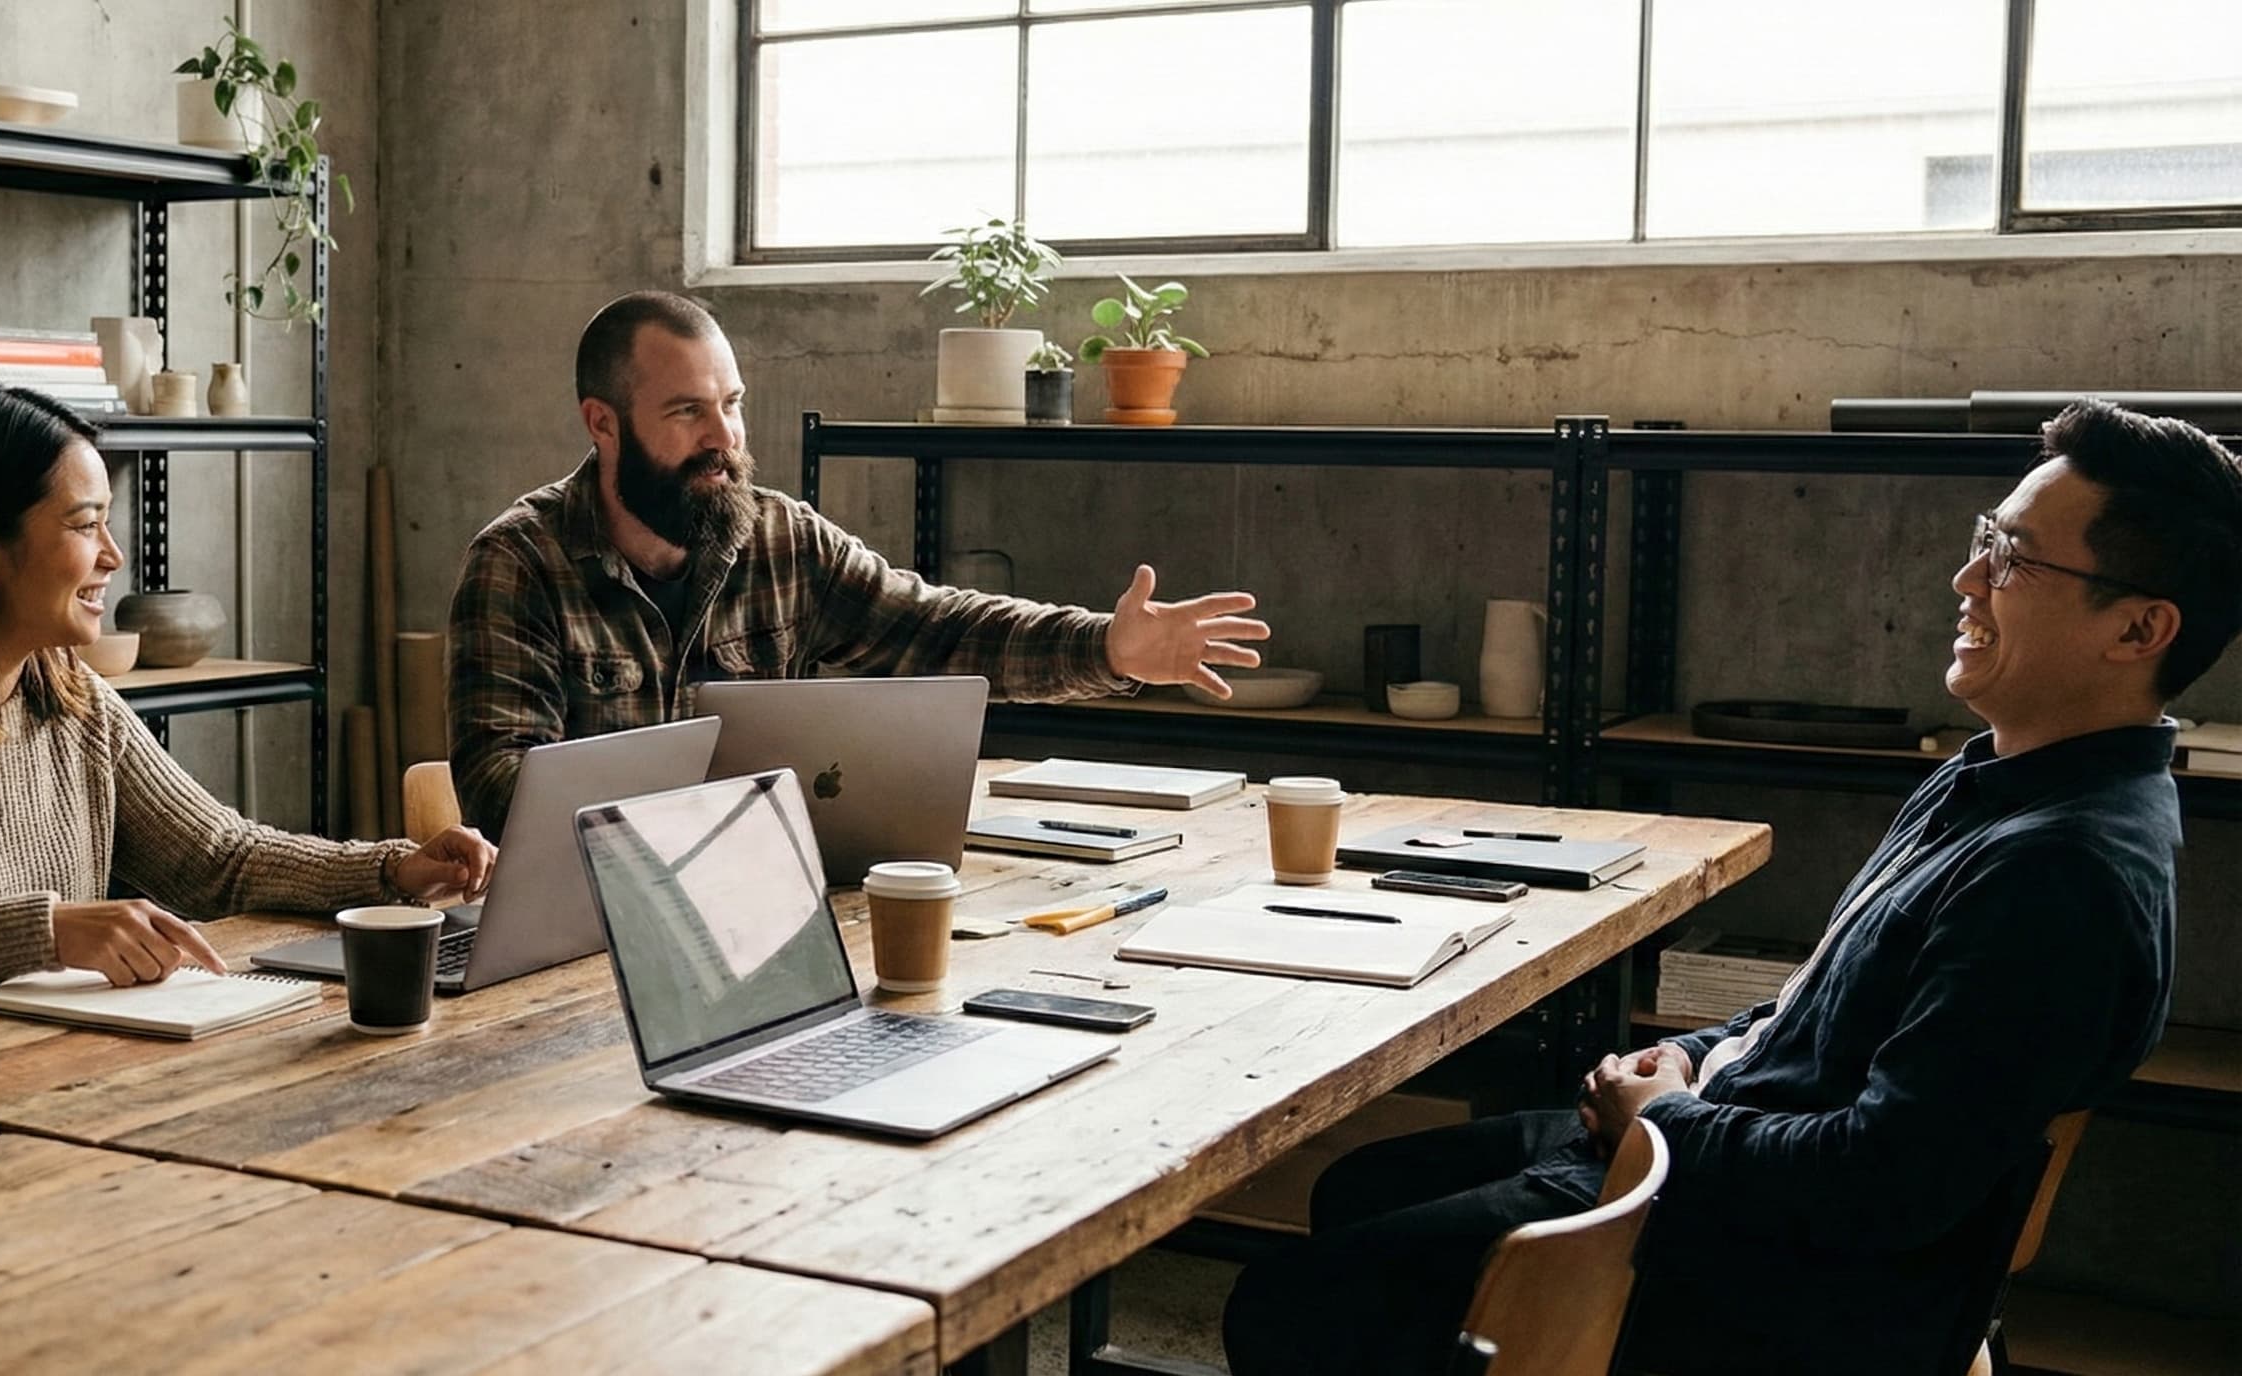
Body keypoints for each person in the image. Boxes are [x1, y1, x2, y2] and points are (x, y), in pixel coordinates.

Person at [1221, 398, 2228, 1375]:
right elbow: (1827, 997)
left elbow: (1882, 1186)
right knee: (1364, 1181)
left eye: (2011, 557)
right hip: (1730, 1140)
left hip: (1768, 1270)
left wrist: (1664, 1118)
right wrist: (1692, 1053)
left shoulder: (2063, 874)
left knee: (1293, 1303)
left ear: (2138, 630)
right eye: (1984, 537)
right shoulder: (1999, 776)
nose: (1967, 575)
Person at [0, 383, 495, 1016]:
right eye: (85, 524)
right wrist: (44, 931)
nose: (113, 556)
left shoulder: (69, 698)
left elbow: (217, 860)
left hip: (40, 1077)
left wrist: (394, 871)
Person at [447, 289, 1272, 832]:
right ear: (603, 422)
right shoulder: (519, 565)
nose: (723, 439)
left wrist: (1107, 649)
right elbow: (498, 788)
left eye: (731, 405)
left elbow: (937, 630)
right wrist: (689, 807)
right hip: (585, 927)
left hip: (756, 911)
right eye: (686, 412)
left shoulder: (782, 541)